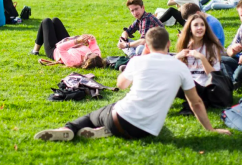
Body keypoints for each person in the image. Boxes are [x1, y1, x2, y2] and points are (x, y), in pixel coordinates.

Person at [34, 27, 231, 141]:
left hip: (120, 117)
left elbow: (120, 85)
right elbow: (196, 103)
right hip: (146, 131)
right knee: (160, 127)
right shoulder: (180, 68)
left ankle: (68, 129)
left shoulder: (138, 61)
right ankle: (104, 132)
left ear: (146, 45)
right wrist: (211, 130)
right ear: (169, 45)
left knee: (94, 115)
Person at [175, 14, 224, 115]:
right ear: (190, 29)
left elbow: (215, 75)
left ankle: (196, 103)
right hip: (188, 83)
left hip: (205, 86)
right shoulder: (184, 45)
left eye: (202, 25)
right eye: (196, 25)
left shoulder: (212, 46)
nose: (200, 27)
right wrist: (177, 57)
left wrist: (202, 58)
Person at [30, 18, 105, 68]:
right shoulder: (96, 57)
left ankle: (35, 50)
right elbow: (93, 44)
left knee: (46, 21)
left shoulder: (74, 61)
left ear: (86, 60)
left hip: (54, 50)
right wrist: (91, 39)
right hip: (68, 43)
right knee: (55, 20)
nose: (90, 52)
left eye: (89, 54)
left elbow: (60, 48)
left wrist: (77, 41)